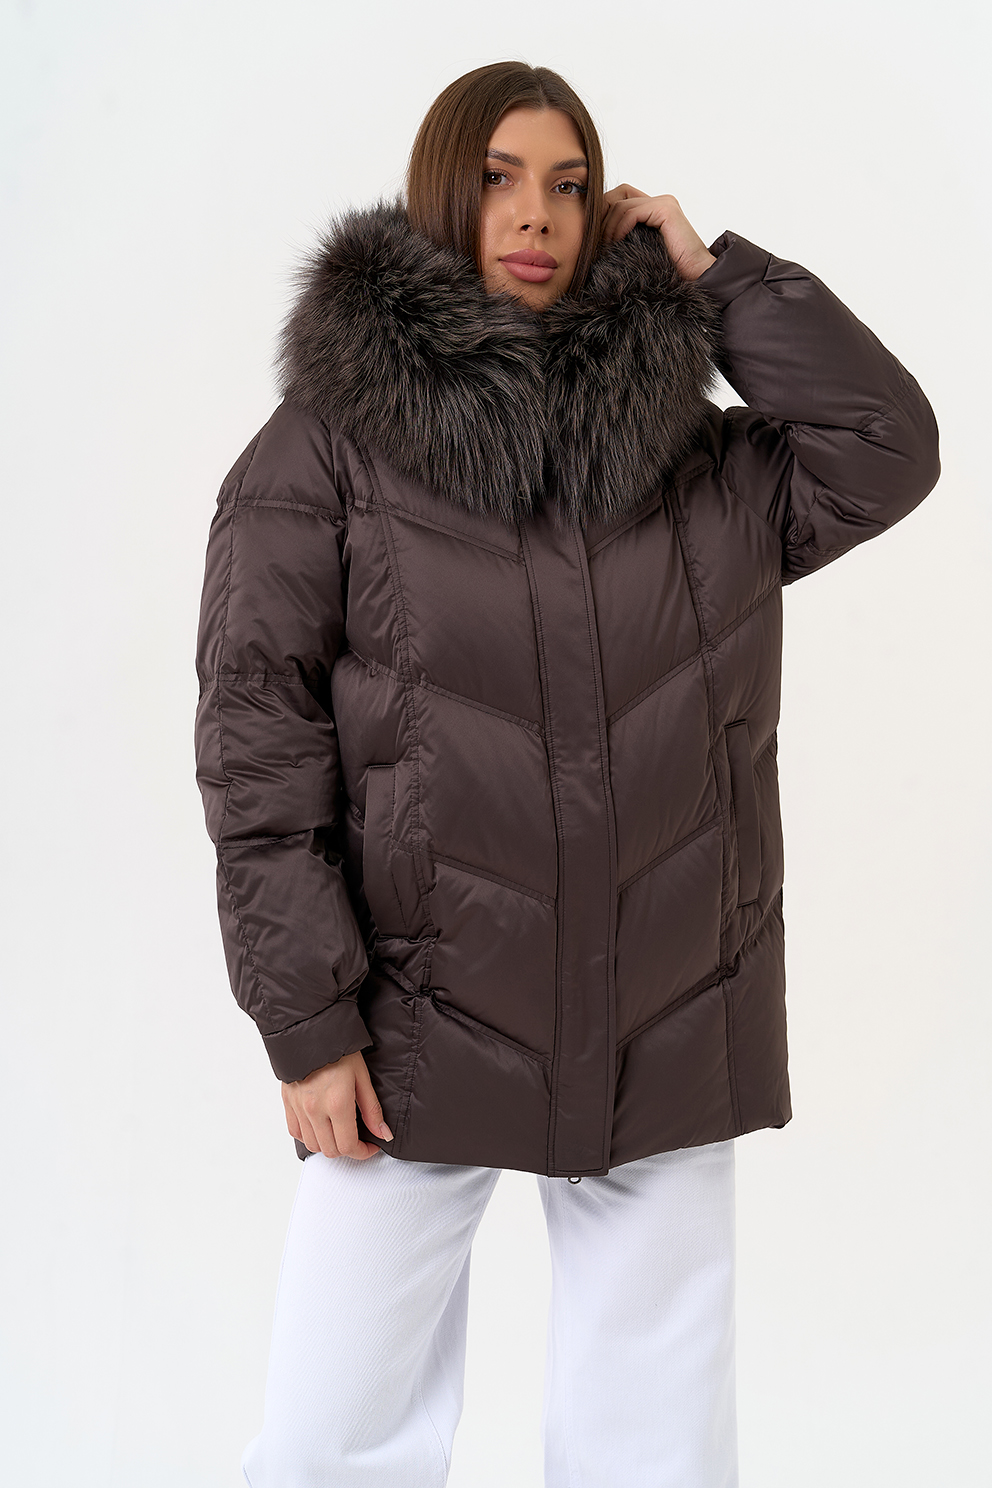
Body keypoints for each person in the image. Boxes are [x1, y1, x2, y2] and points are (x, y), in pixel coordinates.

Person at [193, 59, 939, 1488]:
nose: (535, 213)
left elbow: (888, 446)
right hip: (411, 1023)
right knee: (332, 1436)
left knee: (654, 1451)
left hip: (668, 1005)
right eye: (497, 180)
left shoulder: (703, 464)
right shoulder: (327, 453)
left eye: (569, 183)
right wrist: (307, 1022)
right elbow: (256, 739)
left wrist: (719, 280)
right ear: (441, 197)